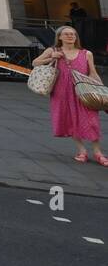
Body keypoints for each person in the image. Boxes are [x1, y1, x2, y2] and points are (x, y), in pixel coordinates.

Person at [33, 25, 106, 165]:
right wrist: (51, 58)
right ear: (59, 37)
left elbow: (93, 73)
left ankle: (98, 153)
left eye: (73, 34)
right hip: (62, 92)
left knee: (92, 121)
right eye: (66, 34)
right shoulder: (53, 50)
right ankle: (82, 151)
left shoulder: (86, 53)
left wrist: (102, 91)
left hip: (83, 91)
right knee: (70, 120)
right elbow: (35, 63)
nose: (70, 36)